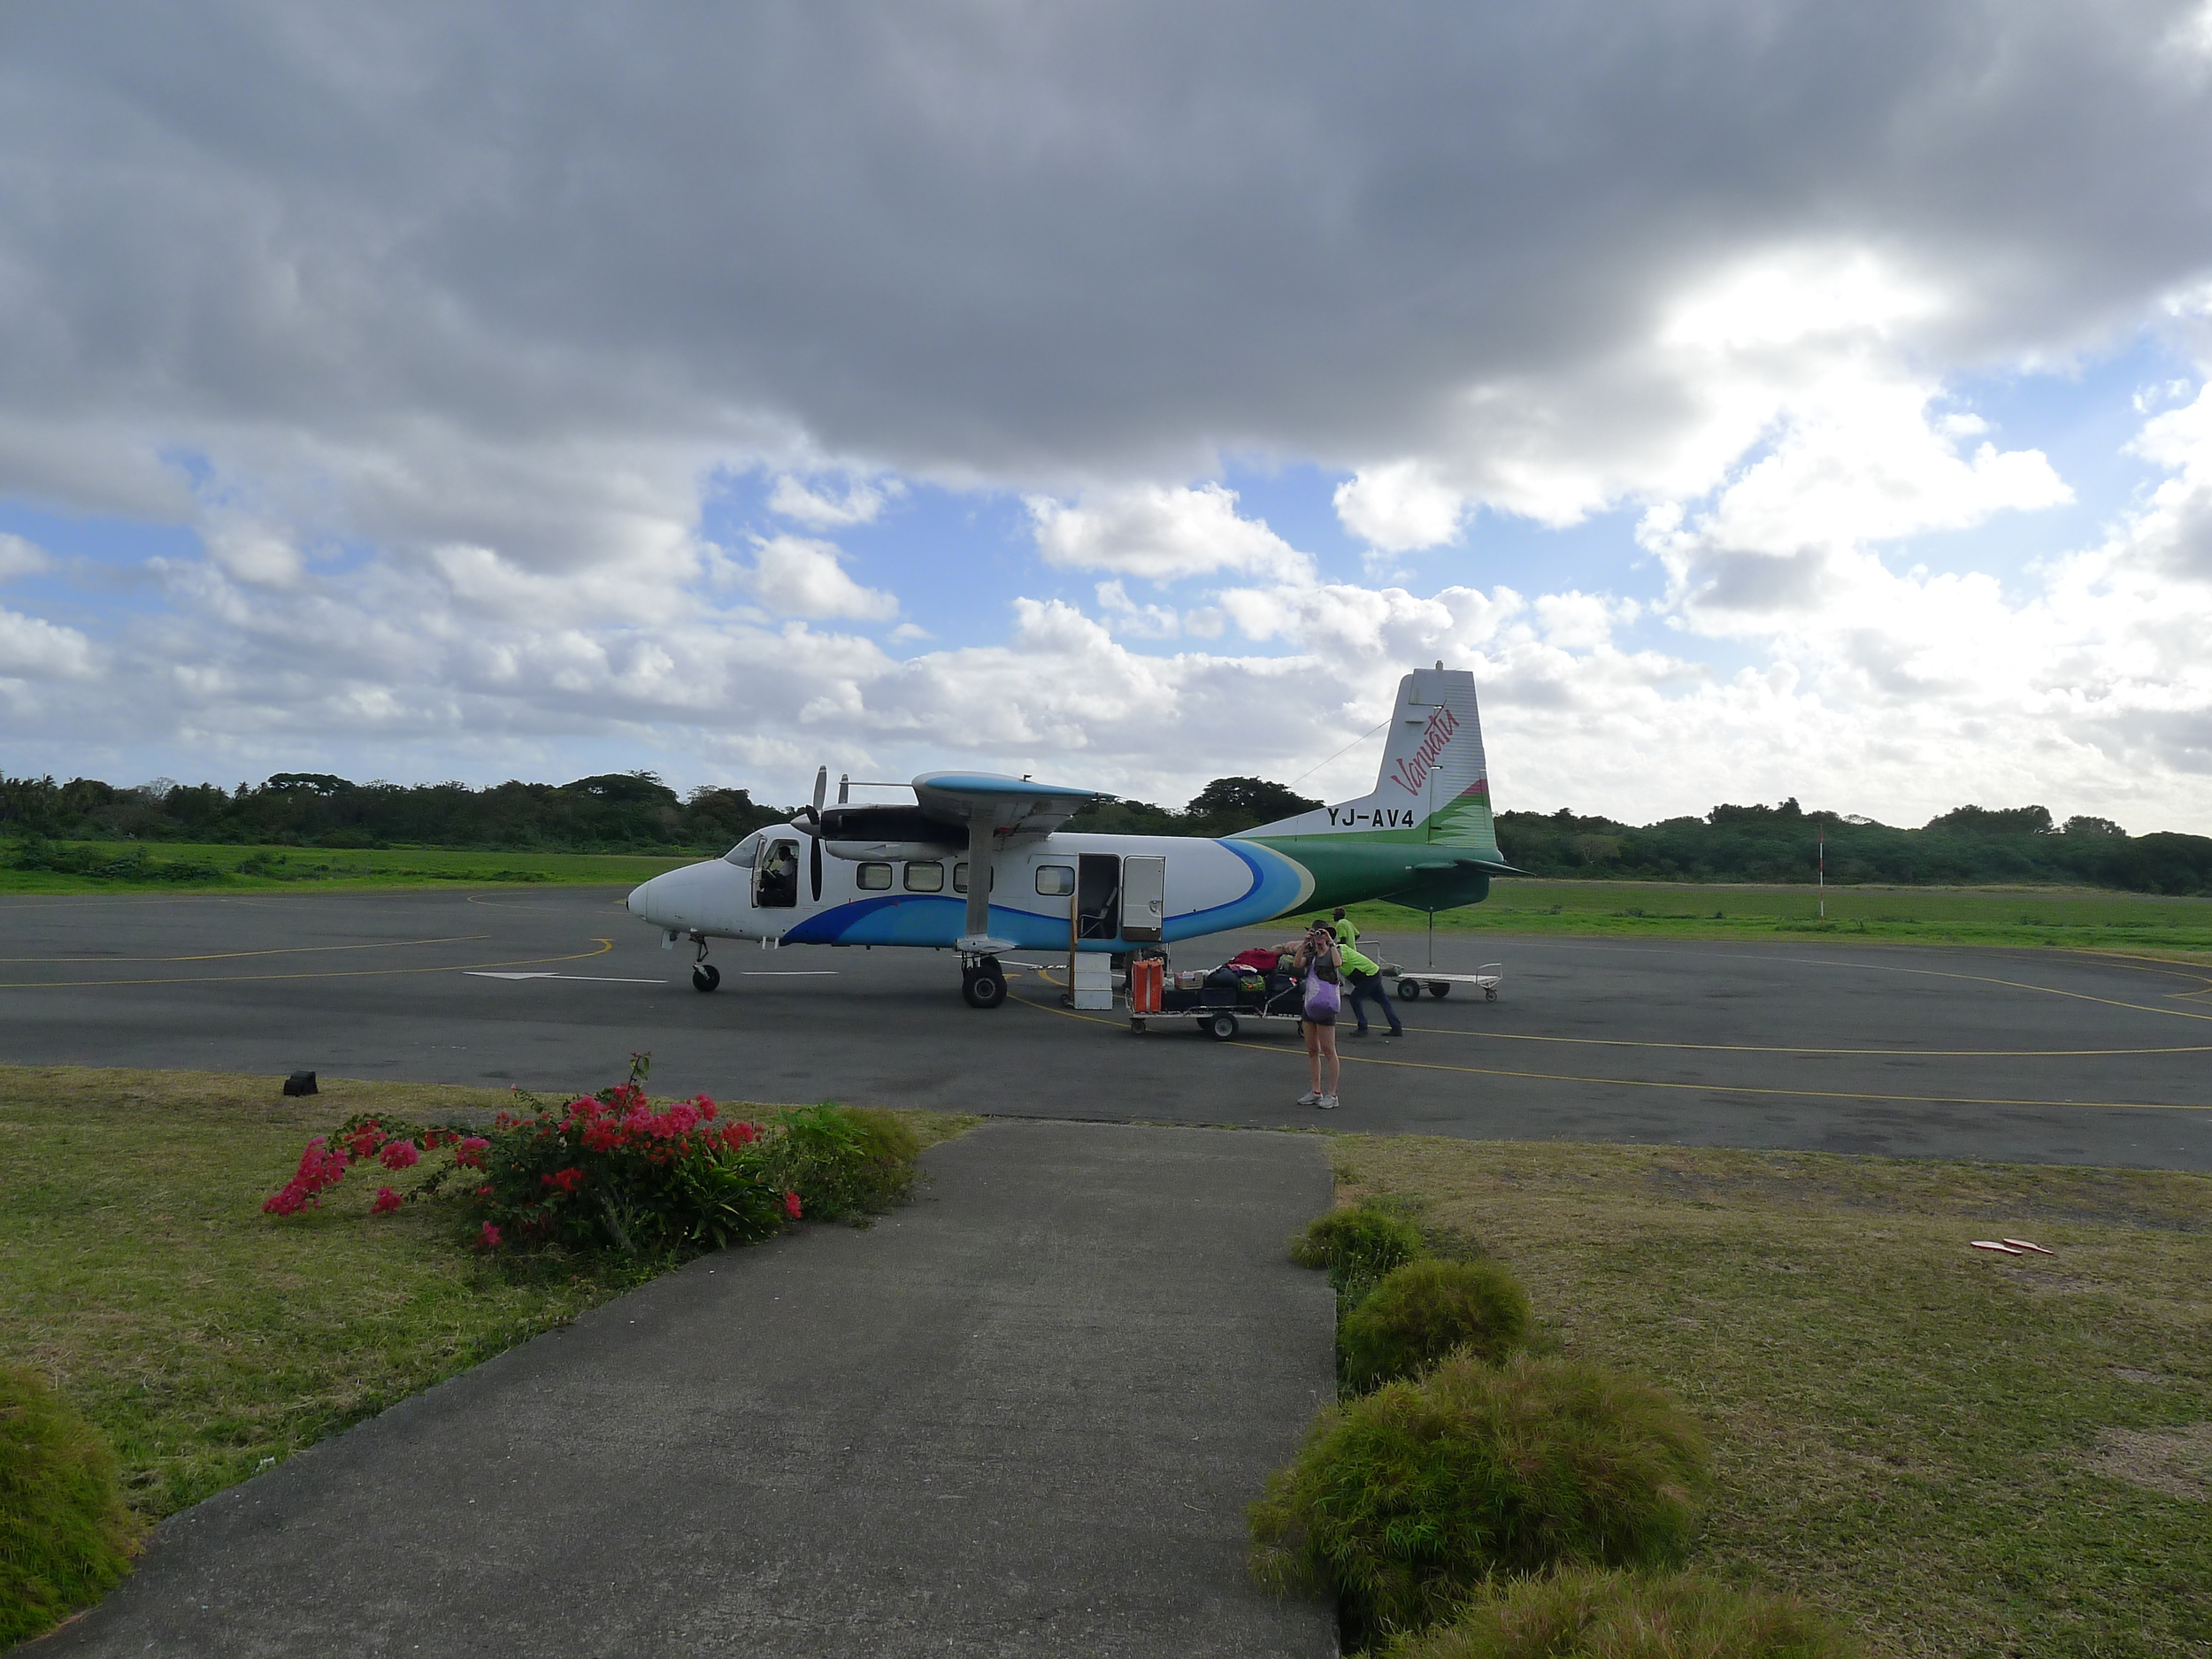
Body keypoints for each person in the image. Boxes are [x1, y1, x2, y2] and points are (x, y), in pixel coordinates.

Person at [1293, 919, 1342, 1110]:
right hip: (1311, 1004)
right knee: (1312, 1050)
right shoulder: (1311, 955)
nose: (1319, 937)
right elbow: (1297, 964)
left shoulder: (1332, 951)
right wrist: (1304, 943)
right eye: (1316, 933)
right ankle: (1315, 1091)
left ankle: (1332, 1094)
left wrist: (1330, 942)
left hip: (1326, 1005)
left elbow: (1338, 964)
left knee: (1329, 1050)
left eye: (1322, 933)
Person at [1338, 934, 1403, 1039]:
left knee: (1355, 998)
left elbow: (1337, 963)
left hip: (1369, 976)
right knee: (1383, 1001)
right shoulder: (1341, 949)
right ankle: (1396, 1027)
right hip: (1372, 973)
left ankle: (1363, 1027)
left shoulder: (1339, 951)